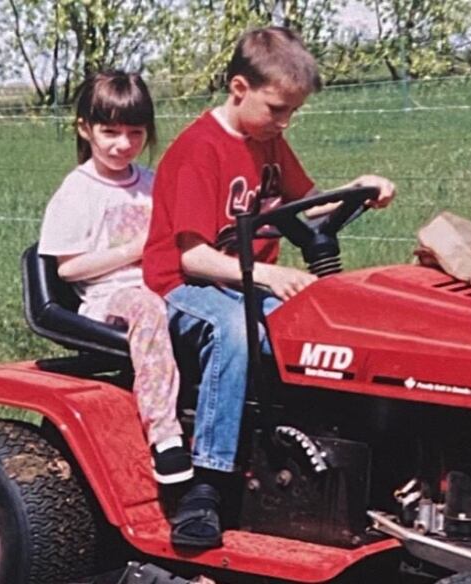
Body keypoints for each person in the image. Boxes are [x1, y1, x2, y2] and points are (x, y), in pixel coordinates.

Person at [143, 27, 396, 548]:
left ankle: (340, 464)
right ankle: (205, 487)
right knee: (239, 332)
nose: (285, 123)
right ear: (240, 87)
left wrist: (361, 189)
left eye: (292, 114)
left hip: (246, 286)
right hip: (184, 288)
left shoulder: (270, 142)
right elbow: (191, 256)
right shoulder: (199, 150)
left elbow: (308, 206)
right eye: (277, 109)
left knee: (335, 328)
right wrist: (272, 275)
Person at [38, 70, 193, 486]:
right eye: (110, 131)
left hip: (162, 283)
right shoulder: (78, 192)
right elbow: (67, 268)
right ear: (85, 128)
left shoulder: (151, 183)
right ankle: (166, 436)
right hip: (111, 298)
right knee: (147, 307)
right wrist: (132, 251)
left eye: (135, 133)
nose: (123, 144)